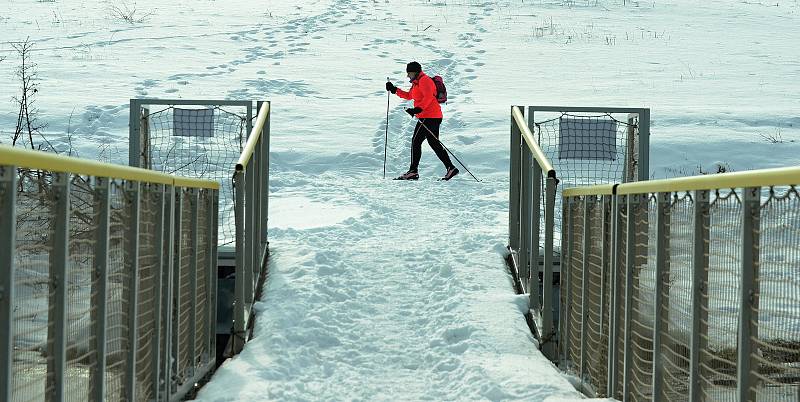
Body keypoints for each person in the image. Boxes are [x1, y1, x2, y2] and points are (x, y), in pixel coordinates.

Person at [386, 61, 459, 181]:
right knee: (434, 143)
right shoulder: (416, 83)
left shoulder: (425, 80)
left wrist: (417, 109)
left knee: (416, 141)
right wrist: (394, 89)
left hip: (429, 116)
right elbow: (409, 96)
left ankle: (413, 171)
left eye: (409, 73)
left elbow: (428, 97)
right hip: (429, 116)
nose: (408, 76)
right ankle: (451, 168)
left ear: (415, 72)